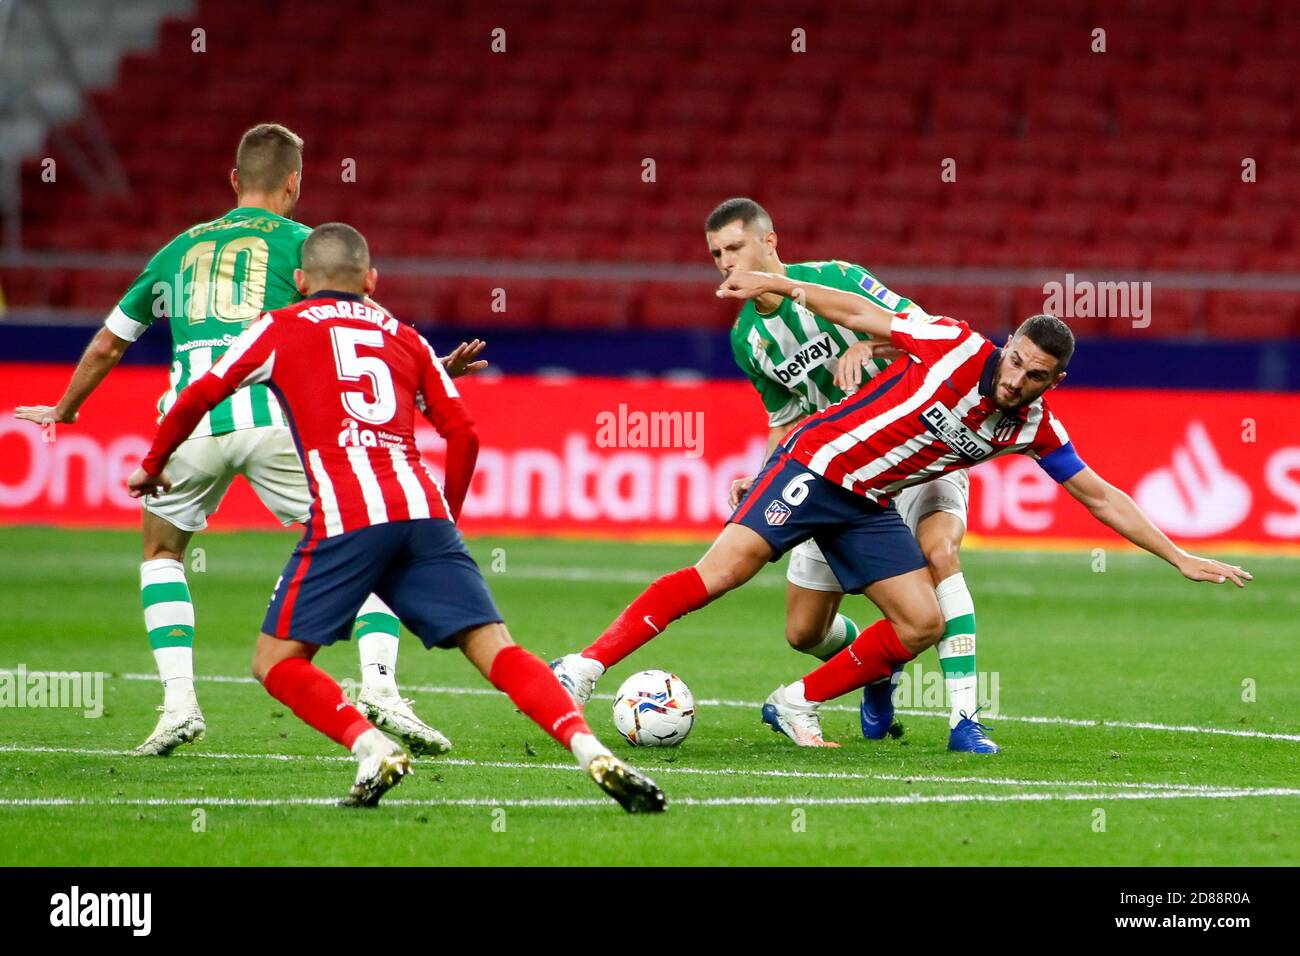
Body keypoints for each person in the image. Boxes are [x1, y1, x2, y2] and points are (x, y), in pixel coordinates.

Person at [553, 267, 1251, 747]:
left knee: (922, 621)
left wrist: (1179, 555)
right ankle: (584, 667)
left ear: (1055, 380)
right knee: (724, 575)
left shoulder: (1033, 427)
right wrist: (778, 284)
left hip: (867, 505)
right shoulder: (951, 343)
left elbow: (1100, 494)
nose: (1016, 381)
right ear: (1007, 348)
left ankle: (796, 701)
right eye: (1015, 363)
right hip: (818, 464)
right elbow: (860, 312)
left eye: (1035, 377)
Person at [125, 222, 666, 810]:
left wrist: (153, 463)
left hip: (348, 515)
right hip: (423, 512)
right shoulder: (404, 336)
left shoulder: (277, 327)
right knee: (497, 649)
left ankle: (371, 747)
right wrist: (450, 520)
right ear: (372, 280)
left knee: (275, 661)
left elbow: (199, 393)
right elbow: (464, 434)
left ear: (300, 280)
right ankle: (591, 750)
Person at [15, 124, 484, 756]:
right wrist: (435, 374)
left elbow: (108, 342)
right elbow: (358, 341)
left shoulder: (177, 250)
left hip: (192, 419)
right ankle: (379, 687)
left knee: (162, 554)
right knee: (370, 538)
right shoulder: (305, 245)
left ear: (234, 181)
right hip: (274, 418)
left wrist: (66, 409)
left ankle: (178, 705)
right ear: (295, 183)